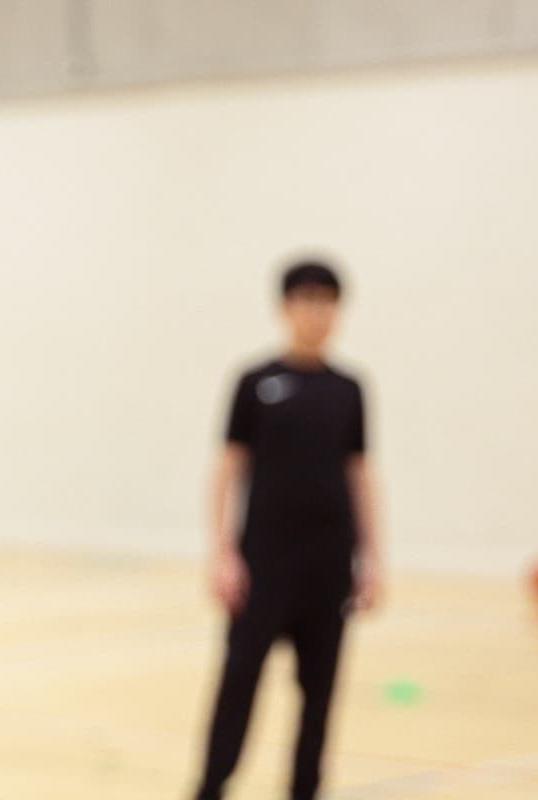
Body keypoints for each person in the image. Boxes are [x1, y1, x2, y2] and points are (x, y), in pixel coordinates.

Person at [194, 260, 382, 800]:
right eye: (306, 300)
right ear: (284, 308)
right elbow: (227, 467)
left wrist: (371, 560)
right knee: (238, 685)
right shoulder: (255, 383)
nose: (316, 313)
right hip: (263, 566)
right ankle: (210, 786)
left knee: (319, 695)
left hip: (328, 568)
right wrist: (223, 552)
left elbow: (361, 474)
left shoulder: (350, 389)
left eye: (327, 302)